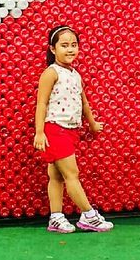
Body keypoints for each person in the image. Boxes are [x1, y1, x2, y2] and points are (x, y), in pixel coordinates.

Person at [34, 24, 113, 233]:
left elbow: (84, 102)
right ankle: (88, 215)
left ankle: (56, 217)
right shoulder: (51, 73)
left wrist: (93, 123)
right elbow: (41, 103)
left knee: (56, 176)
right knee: (72, 174)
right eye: (64, 45)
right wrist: (39, 132)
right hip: (55, 129)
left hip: (71, 131)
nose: (70, 50)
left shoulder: (76, 74)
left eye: (74, 45)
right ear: (52, 49)